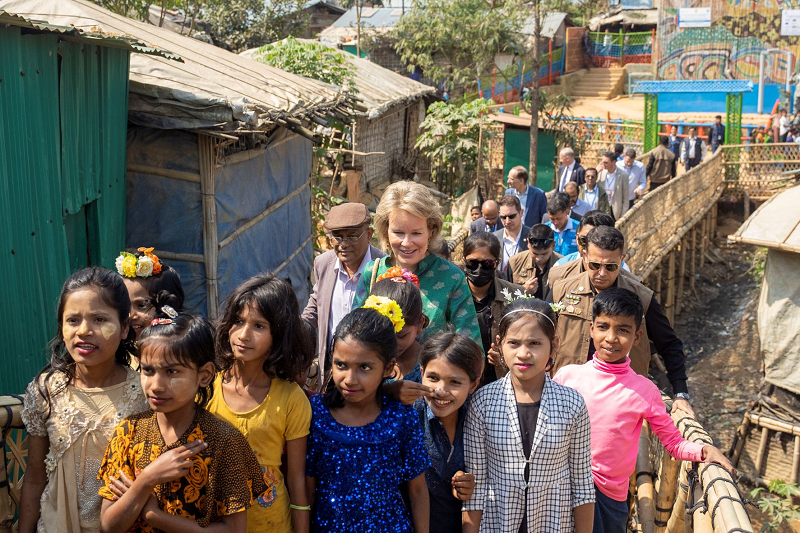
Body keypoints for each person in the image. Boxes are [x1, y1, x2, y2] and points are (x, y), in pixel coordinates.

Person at [554, 288, 735, 533]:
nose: (611, 338)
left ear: (637, 337)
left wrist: (703, 450)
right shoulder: (567, 377)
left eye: (623, 330)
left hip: (608, 497)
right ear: (591, 329)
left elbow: (673, 443)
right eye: (603, 327)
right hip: (561, 487)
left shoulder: (644, 390)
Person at [98, 313, 268, 532]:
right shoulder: (128, 433)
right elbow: (108, 526)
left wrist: (154, 515)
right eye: (148, 370)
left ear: (204, 375)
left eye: (172, 372)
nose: (156, 385)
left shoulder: (225, 442)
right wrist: (147, 480)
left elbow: (234, 530)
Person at [19, 268, 148, 533]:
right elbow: (34, 477)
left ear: (125, 329)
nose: (84, 331)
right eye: (73, 320)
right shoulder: (46, 390)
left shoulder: (145, 394)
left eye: (100, 319)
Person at [463, 298, 594, 533]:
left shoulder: (572, 404)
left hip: (554, 523)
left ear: (554, 346)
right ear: (500, 344)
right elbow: (477, 486)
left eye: (535, 343)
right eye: (514, 343)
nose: (523, 353)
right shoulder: (483, 402)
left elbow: (582, 485)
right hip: (497, 523)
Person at [306, 305, 430, 532]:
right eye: (340, 365)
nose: (350, 379)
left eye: (364, 367)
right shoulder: (315, 414)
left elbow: (418, 490)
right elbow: (308, 488)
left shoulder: (401, 417)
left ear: (388, 368)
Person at [550, 226, 693, 415]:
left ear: (622, 259)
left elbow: (669, 344)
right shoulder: (562, 291)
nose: (602, 273)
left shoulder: (640, 297)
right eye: (594, 265)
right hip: (567, 398)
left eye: (610, 267)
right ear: (584, 256)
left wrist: (680, 393)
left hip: (621, 402)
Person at [210, 274, 313, 533]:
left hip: (271, 524)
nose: (243, 335)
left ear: (279, 335)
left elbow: (295, 479)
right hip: (212, 521)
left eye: (259, 326)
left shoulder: (291, 399)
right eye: (238, 321)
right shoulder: (206, 386)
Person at [353, 180, 481, 346]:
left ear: (431, 230)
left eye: (416, 233)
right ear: (386, 231)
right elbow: (354, 335)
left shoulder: (451, 278)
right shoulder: (372, 272)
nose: (407, 243)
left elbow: (471, 348)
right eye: (398, 232)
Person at [303, 202, 385, 390]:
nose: (344, 244)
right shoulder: (324, 264)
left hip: (367, 371)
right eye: (337, 237)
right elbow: (316, 306)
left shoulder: (383, 268)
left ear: (370, 234)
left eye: (352, 236)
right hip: (331, 370)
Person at [413, 333, 483, 533]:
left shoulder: (479, 420)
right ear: (421, 372)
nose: (441, 391)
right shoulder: (409, 418)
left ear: (473, 384)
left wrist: (469, 484)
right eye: (433, 378)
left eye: (455, 382)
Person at [462, 232, 525, 385]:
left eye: (487, 264)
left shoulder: (516, 295)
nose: (479, 269)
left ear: (497, 263)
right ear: (464, 261)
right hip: (461, 378)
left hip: (502, 381)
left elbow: (526, 339)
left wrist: (504, 359)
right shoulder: (454, 295)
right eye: (472, 263)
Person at [370, 272, 428, 382]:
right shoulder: (362, 360)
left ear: (420, 324)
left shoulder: (431, 365)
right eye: (382, 334)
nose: (392, 343)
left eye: (401, 335)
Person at [116, 247, 185, 339]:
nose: (131, 315)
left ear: (168, 305)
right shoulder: (112, 350)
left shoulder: (180, 350)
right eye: (125, 306)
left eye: (141, 305)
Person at [508, 224, 561, 300]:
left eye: (544, 254)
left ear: (553, 245)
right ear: (528, 243)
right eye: (535, 253)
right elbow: (504, 294)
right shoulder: (515, 262)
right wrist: (523, 291)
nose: (539, 259)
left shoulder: (563, 264)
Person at [493, 194, 530, 276]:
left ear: (521, 213)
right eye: (503, 217)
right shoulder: (493, 238)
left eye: (511, 216)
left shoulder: (532, 237)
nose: (507, 221)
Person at [597, 152, 629, 220]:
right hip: (602, 208)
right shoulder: (600, 172)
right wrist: (596, 172)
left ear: (613, 162)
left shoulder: (623, 175)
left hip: (615, 210)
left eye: (606, 162)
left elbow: (625, 198)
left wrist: (623, 216)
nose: (603, 164)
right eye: (602, 162)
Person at [546, 193, 579, 257]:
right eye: (552, 219)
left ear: (566, 212)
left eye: (558, 218)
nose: (556, 222)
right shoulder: (545, 229)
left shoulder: (578, 228)